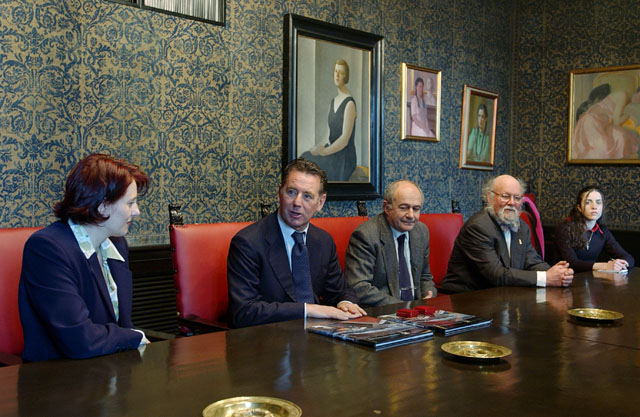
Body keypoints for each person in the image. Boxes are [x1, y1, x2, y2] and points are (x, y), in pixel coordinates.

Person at [19, 154, 150, 362]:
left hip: (109, 369)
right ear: (102, 206)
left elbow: (121, 324)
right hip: (57, 376)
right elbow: (80, 341)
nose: (137, 212)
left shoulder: (116, 244)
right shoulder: (47, 249)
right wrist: (135, 337)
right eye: (130, 203)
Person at [227, 158, 366, 328]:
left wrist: (346, 303)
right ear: (279, 193)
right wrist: (307, 310)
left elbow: (340, 291)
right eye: (291, 192)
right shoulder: (248, 242)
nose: (297, 203)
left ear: (320, 202)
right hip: (268, 336)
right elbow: (244, 311)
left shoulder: (323, 241)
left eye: (307, 196)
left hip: (317, 335)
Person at [440, 175, 574, 293]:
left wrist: (558, 273)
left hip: (501, 295)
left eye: (517, 198)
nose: (512, 202)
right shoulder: (478, 227)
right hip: (466, 297)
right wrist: (546, 278)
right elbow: (496, 275)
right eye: (505, 196)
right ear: (490, 198)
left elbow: (532, 262)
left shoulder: (522, 227)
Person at [344, 180, 437, 306]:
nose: (411, 215)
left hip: (417, 310)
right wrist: (405, 307)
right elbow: (359, 287)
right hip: (384, 310)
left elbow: (425, 276)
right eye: (404, 208)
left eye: (416, 209)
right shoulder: (366, 236)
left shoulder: (421, 231)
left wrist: (429, 295)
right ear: (387, 208)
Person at [301, 58, 357, 181]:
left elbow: (344, 140)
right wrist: (317, 148)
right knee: (305, 157)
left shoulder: (350, 103)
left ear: (346, 76)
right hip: (331, 150)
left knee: (315, 167)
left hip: (344, 157)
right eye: (336, 71)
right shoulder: (333, 101)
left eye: (341, 73)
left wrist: (324, 152)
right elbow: (328, 134)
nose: (337, 75)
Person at [554, 186, 634, 273]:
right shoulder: (565, 229)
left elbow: (628, 257)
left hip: (591, 279)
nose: (594, 207)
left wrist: (622, 264)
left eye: (598, 202)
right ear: (579, 207)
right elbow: (572, 263)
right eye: (588, 202)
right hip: (566, 277)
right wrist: (605, 266)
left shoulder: (603, 232)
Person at [572, 83, 640, 159]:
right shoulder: (623, 95)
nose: (639, 100)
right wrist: (626, 116)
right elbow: (616, 122)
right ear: (637, 92)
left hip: (593, 121)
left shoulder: (626, 101)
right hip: (592, 121)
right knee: (612, 143)